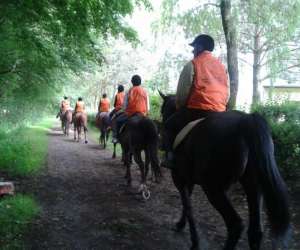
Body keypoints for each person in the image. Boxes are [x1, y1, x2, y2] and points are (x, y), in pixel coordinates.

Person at [161, 34, 230, 169]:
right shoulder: (222, 67)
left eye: (194, 48)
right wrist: (221, 106)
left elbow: (182, 94)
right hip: (220, 112)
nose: (193, 51)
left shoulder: (192, 64)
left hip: (197, 110)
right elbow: (227, 93)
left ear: (199, 47)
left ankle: (170, 158)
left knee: (168, 126)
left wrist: (180, 107)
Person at [111, 75, 150, 143]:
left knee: (117, 121)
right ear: (140, 82)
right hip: (143, 114)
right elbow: (148, 107)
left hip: (131, 113)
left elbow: (124, 107)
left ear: (132, 82)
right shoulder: (145, 91)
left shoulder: (129, 91)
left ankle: (116, 137)